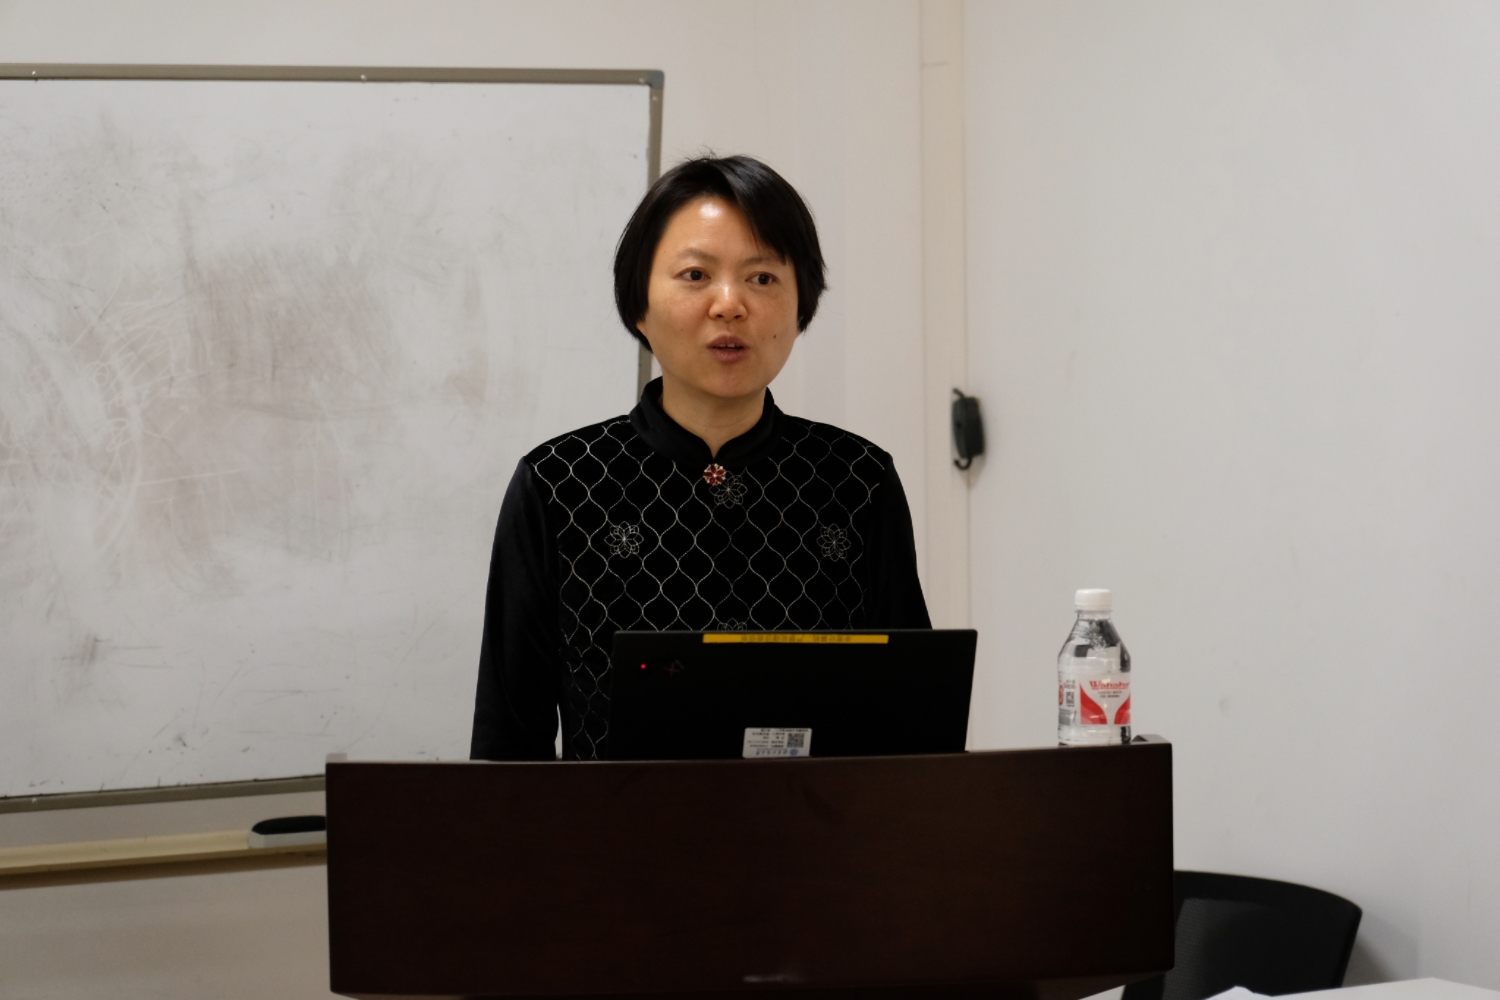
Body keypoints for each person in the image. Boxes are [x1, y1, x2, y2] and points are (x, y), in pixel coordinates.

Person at [470, 155, 930, 762]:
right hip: (619, 825)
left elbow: (914, 723)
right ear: (639, 304)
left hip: (817, 824)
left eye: (762, 278)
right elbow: (508, 745)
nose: (729, 304)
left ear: (801, 308)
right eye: (695, 275)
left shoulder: (857, 479)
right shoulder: (560, 483)